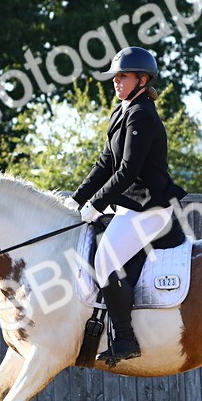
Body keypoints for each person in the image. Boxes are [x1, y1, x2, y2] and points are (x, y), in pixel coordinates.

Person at [64, 47, 187, 366]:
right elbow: (105, 162)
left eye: (123, 76)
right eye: (115, 77)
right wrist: (76, 199)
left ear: (142, 80)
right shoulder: (122, 111)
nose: (116, 82)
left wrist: (97, 203)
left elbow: (128, 169)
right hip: (129, 205)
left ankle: (125, 338)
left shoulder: (143, 115)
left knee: (105, 261)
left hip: (149, 207)